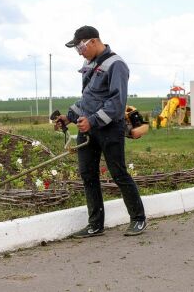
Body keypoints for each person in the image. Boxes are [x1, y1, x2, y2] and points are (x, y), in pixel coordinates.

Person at [54, 25, 147, 238]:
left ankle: (138, 219)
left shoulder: (116, 65)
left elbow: (116, 102)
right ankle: (95, 224)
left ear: (93, 41)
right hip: (88, 128)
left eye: (80, 47)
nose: (79, 52)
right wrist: (69, 117)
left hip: (109, 129)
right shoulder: (90, 64)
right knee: (88, 174)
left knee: (118, 173)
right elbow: (88, 98)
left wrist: (93, 122)